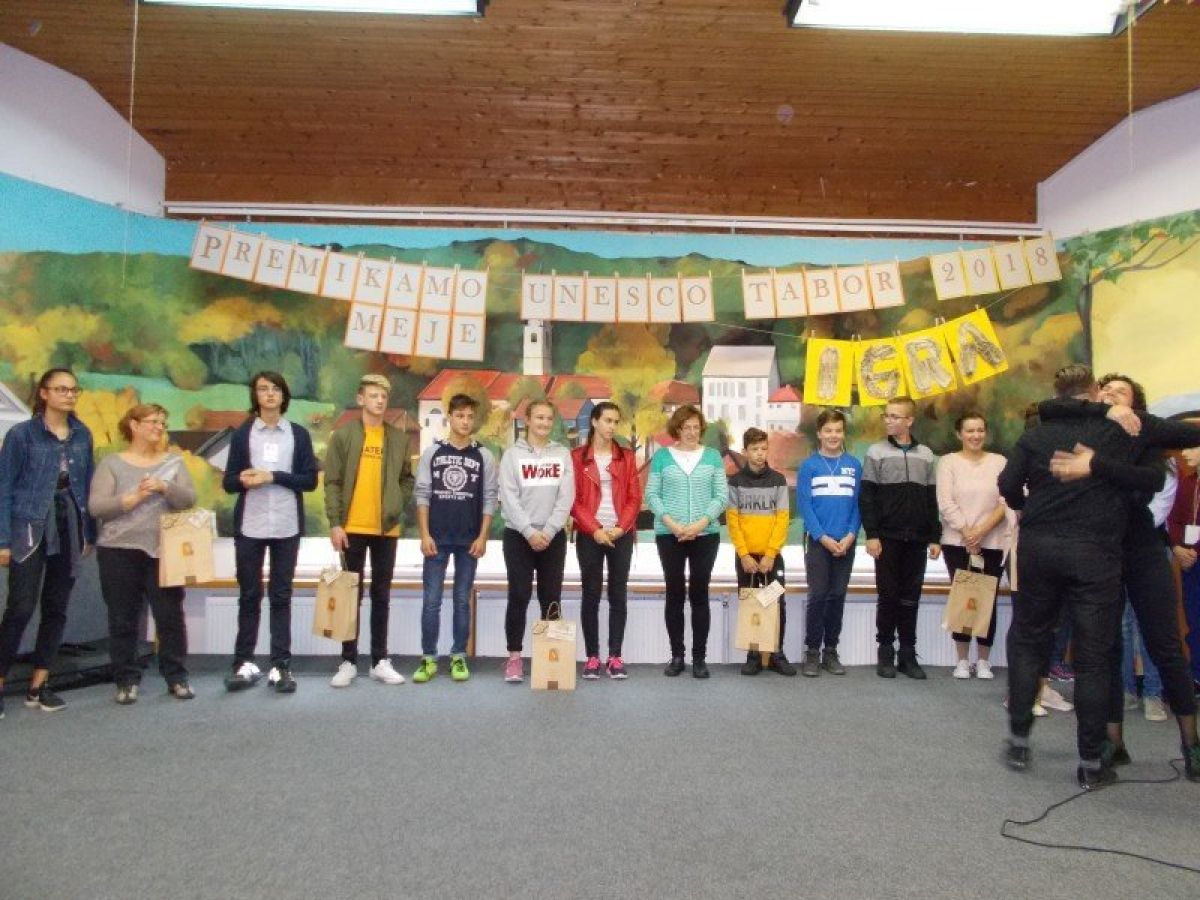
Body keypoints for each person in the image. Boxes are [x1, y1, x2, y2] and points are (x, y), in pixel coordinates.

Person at [1000, 365, 1162, 789]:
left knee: (1029, 641)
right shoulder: (1114, 435)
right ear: (1092, 392)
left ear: (1057, 392)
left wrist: (1025, 506)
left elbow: (1008, 483)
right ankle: (1091, 763)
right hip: (1094, 553)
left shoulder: (1035, 435)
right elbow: (1153, 479)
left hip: (1039, 550)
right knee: (1093, 658)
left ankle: (1018, 739)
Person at [1040, 373, 1200, 781]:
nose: (1110, 393)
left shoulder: (1145, 430)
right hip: (1099, 552)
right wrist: (1105, 412)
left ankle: (1192, 744)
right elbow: (1049, 407)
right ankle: (1114, 742)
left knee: (1165, 645)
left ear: (1136, 403)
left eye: (1120, 391)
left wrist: (1095, 464)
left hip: (1142, 549)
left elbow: (1149, 481)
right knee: (1105, 650)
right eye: (1105, 389)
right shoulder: (1085, 426)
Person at [0, 368, 95, 718]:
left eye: (73, 390)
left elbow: (87, 485)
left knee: (57, 607)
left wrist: (88, 532)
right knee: (21, 607)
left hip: (69, 524)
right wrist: (3, 540)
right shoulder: (21, 435)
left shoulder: (82, 435)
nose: (69, 395)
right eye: (61, 389)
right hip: (29, 526)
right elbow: (4, 488)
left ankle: (39, 684)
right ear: (44, 393)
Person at [89, 404, 197, 703]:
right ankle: (126, 680)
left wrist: (165, 487)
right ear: (134, 425)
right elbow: (96, 507)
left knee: (170, 617)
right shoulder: (112, 463)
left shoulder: (173, 462)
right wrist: (132, 498)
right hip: (118, 551)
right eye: (153, 422)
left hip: (164, 552)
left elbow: (189, 499)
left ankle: (177, 677)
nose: (159, 427)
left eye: (163, 422)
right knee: (123, 618)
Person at [222, 372, 318, 694]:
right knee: (249, 596)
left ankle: (281, 666)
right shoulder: (243, 434)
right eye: (263, 389)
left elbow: (309, 481)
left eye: (275, 388)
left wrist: (273, 476)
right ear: (255, 396)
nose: (270, 394)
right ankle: (243, 663)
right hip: (251, 525)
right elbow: (228, 482)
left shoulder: (298, 434)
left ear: (284, 396)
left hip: (286, 525)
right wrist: (244, 480)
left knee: (281, 596)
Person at [324, 374, 414, 689]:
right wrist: (335, 522)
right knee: (350, 595)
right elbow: (332, 481)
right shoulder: (343, 436)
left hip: (386, 528)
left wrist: (396, 503)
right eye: (373, 396)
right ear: (361, 399)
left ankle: (379, 661)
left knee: (381, 595)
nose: (379, 401)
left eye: (383, 397)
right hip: (351, 528)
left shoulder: (398, 438)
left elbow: (407, 479)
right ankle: (348, 661)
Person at [412, 393, 498, 685]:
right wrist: (424, 534)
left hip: (469, 541)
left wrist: (483, 537)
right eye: (460, 415)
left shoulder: (484, 456)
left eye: (470, 416)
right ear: (449, 417)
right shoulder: (433, 453)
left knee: (462, 600)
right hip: (435, 539)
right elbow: (422, 495)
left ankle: (458, 655)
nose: (465, 421)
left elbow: (489, 499)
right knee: (431, 601)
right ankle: (428, 658)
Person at [859, 397, 940, 680]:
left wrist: (935, 537)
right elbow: (867, 498)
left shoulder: (926, 455)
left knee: (910, 597)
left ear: (910, 420)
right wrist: (872, 534)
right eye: (887, 415)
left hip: (917, 539)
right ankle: (885, 651)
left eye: (895, 416)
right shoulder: (876, 452)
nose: (889, 420)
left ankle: (907, 653)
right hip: (887, 538)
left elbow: (931, 500)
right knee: (888, 595)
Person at [645, 404, 728, 679]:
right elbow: (652, 495)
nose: (692, 432)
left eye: (696, 427)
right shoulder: (662, 457)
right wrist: (673, 524)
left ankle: (699, 658)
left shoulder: (712, 456)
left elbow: (721, 496)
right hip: (669, 535)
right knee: (675, 594)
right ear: (677, 429)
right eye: (686, 427)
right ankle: (677, 656)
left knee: (700, 594)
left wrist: (700, 523)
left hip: (705, 535)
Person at [499, 399, 574, 683]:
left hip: (553, 536)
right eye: (539, 417)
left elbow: (566, 497)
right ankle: (514, 658)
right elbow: (509, 498)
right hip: (518, 536)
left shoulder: (562, 454)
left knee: (551, 597)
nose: (544, 423)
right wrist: (529, 531)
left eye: (548, 418)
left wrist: (550, 530)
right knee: (518, 595)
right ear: (527, 420)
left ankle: (550, 662)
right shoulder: (511, 456)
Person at [936, 411, 1009, 680]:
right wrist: (968, 533)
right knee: (964, 600)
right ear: (959, 434)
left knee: (987, 600)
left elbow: (1006, 500)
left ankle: (984, 661)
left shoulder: (1000, 462)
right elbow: (945, 502)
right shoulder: (948, 462)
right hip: (957, 542)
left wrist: (981, 531)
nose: (975, 435)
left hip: (993, 541)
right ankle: (963, 660)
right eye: (970, 431)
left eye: (980, 430)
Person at [571, 401, 642, 680]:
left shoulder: (626, 457)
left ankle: (615, 657)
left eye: (615, 421)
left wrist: (620, 528)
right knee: (590, 595)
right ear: (594, 422)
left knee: (617, 594)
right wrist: (595, 529)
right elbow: (573, 501)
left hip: (620, 534)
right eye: (608, 421)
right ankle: (592, 657)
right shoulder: (577, 457)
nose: (612, 426)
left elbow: (635, 498)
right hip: (590, 535)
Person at [797, 409, 861, 677]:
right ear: (819, 434)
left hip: (846, 542)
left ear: (843, 433)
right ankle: (812, 651)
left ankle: (831, 651)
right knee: (818, 595)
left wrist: (850, 536)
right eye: (828, 431)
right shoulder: (809, 466)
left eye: (838, 430)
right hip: (818, 542)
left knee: (837, 595)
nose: (833, 435)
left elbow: (858, 505)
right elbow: (805, 505)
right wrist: (822, 537)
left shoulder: (854, 465)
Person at [728, 427, 794, 676]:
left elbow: (782, 520)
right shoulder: (736, 482)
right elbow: (733, 522)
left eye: (763, 448)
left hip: (771, 557)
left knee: (776, 603)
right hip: (746, 559)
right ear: (745, 451)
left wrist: (770, 554)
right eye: (754, 449)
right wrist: (744, 554)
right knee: (751, 604)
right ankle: (753, 655)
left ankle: (776, 653)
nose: (759, 453)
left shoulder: (778, 480)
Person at [1167, 444, 1200, 693]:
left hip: (1195, 557)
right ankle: (1196, 675)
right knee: (1193, 619)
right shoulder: (1187, 483)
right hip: (1190, 564)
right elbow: (1174, 519)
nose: (1185, 453)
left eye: (1191, 448)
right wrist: (1177, 547)